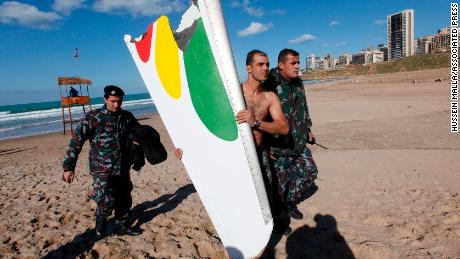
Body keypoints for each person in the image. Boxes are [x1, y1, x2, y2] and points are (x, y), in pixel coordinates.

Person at [63, 85, 142, 238]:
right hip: (101, 169)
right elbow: (76, 141)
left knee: (124, 197)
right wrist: (68, 167)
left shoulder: (127, 117)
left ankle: (122, 225)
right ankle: (101, 220)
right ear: (105, 99)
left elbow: (139, 134)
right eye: (113, 101)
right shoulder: (94, 117)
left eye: (119, 101)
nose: (116, 105)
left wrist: (141, 151)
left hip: (122, 167)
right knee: (106, 199)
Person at [235, 50, 290, 235]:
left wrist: (256, 122)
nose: (266, 68)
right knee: (239, 196)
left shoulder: (269, 97)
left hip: (259, 153)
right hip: (236, 156)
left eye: (267, 64)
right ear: (249, 68)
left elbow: (283, 127)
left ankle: (268, 229)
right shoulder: (234, 93)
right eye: (260, 64)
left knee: (266, 193)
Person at [263, 48, 319, 221]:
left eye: (298, 63)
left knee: (310, 172)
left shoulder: (298, 82)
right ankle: (282, 209)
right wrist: (265, 146)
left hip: (299, 140)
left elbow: (303, 107)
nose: (297, 67)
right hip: (279, 146)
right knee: (281, 184)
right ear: (281, 65)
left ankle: (289, 201)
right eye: (293, 63)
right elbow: (261, 116)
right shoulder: (269, 85)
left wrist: (308, 128)